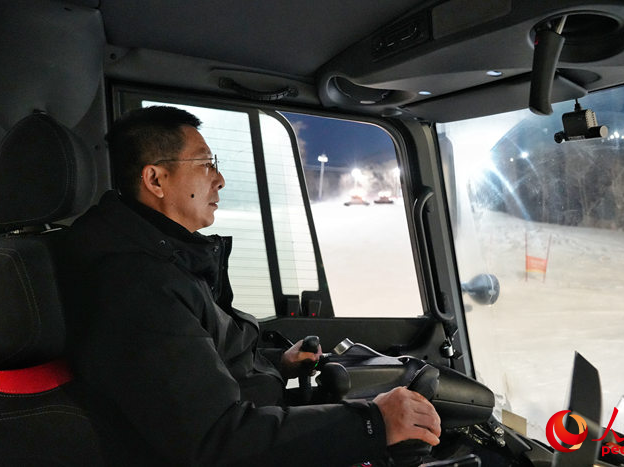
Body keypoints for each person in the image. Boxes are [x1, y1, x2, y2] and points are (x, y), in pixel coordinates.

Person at [62, 106, 441, 467]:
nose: (219, 179)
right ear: (156, 180)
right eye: (205, 164)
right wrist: (372, 423)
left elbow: (197, 363)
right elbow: (216, 440)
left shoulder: (167, 258)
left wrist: (278, 365)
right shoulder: (138, 285)